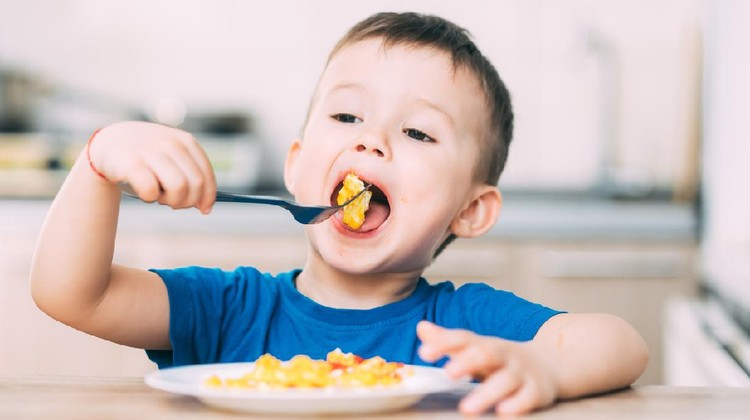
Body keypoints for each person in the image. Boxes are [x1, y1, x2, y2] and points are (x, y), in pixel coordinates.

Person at [30, 12, 648, 415]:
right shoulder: (232, 311)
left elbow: (621, 344)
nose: (370, 141)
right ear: (297, 166)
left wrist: (544, 365)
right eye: (347, 117)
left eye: (417, 132)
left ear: (472, 210)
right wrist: (97, 164)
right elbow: (72, 295)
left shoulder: (462, 327)